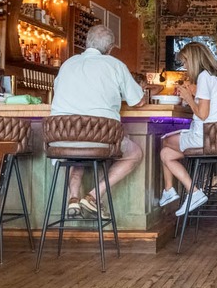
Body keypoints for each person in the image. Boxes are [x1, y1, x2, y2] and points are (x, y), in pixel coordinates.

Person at [50, 25, 146, 219]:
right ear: (110, 48)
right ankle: (94, 196)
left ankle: (73, 199)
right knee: (134, 153)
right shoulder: (115, 65)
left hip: (61, 138)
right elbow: (138, 101)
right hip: (100, 138)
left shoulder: (67, 64)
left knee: (76, 155)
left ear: (86, 43)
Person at [159, 42, 217, 215]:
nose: (184, 66)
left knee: (164, 141)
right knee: (166, 154)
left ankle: (190, 192)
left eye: (185, 62)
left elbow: (203, 115)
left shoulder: (204, 77)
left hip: (205, 136)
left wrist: (188, 98)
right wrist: (192, 93)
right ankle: (175, 191)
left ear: (193, 59)